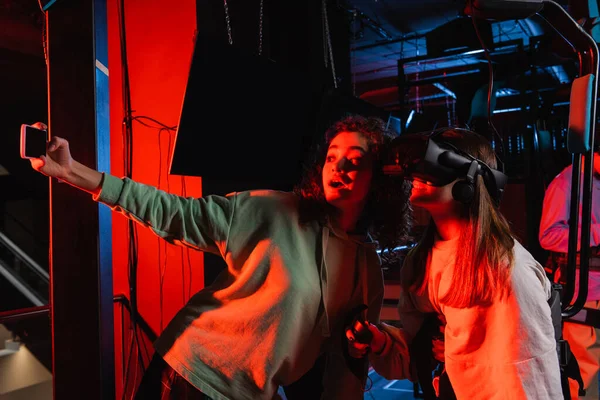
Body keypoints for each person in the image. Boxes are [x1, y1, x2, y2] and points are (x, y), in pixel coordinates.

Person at [29, 115, 412, 400]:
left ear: (378, 178)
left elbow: (348, 366)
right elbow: (176, 213)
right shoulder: (275, 211)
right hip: (188, 377)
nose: (339, 167)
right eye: (332, 157)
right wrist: (74, 172)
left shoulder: (366, 271)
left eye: (355, 160)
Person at [347, 128, 563, 399]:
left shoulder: (504, 271)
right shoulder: (421, 262)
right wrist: (382, 344)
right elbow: (423, 358)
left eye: (431, 164)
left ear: (470, 178)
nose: (416, 174)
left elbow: (529, 383)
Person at [539, 147, 600, 399]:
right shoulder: (567, 183)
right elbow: (548, 235)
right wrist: (597, 232)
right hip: (585, 294)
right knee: (587, 376)